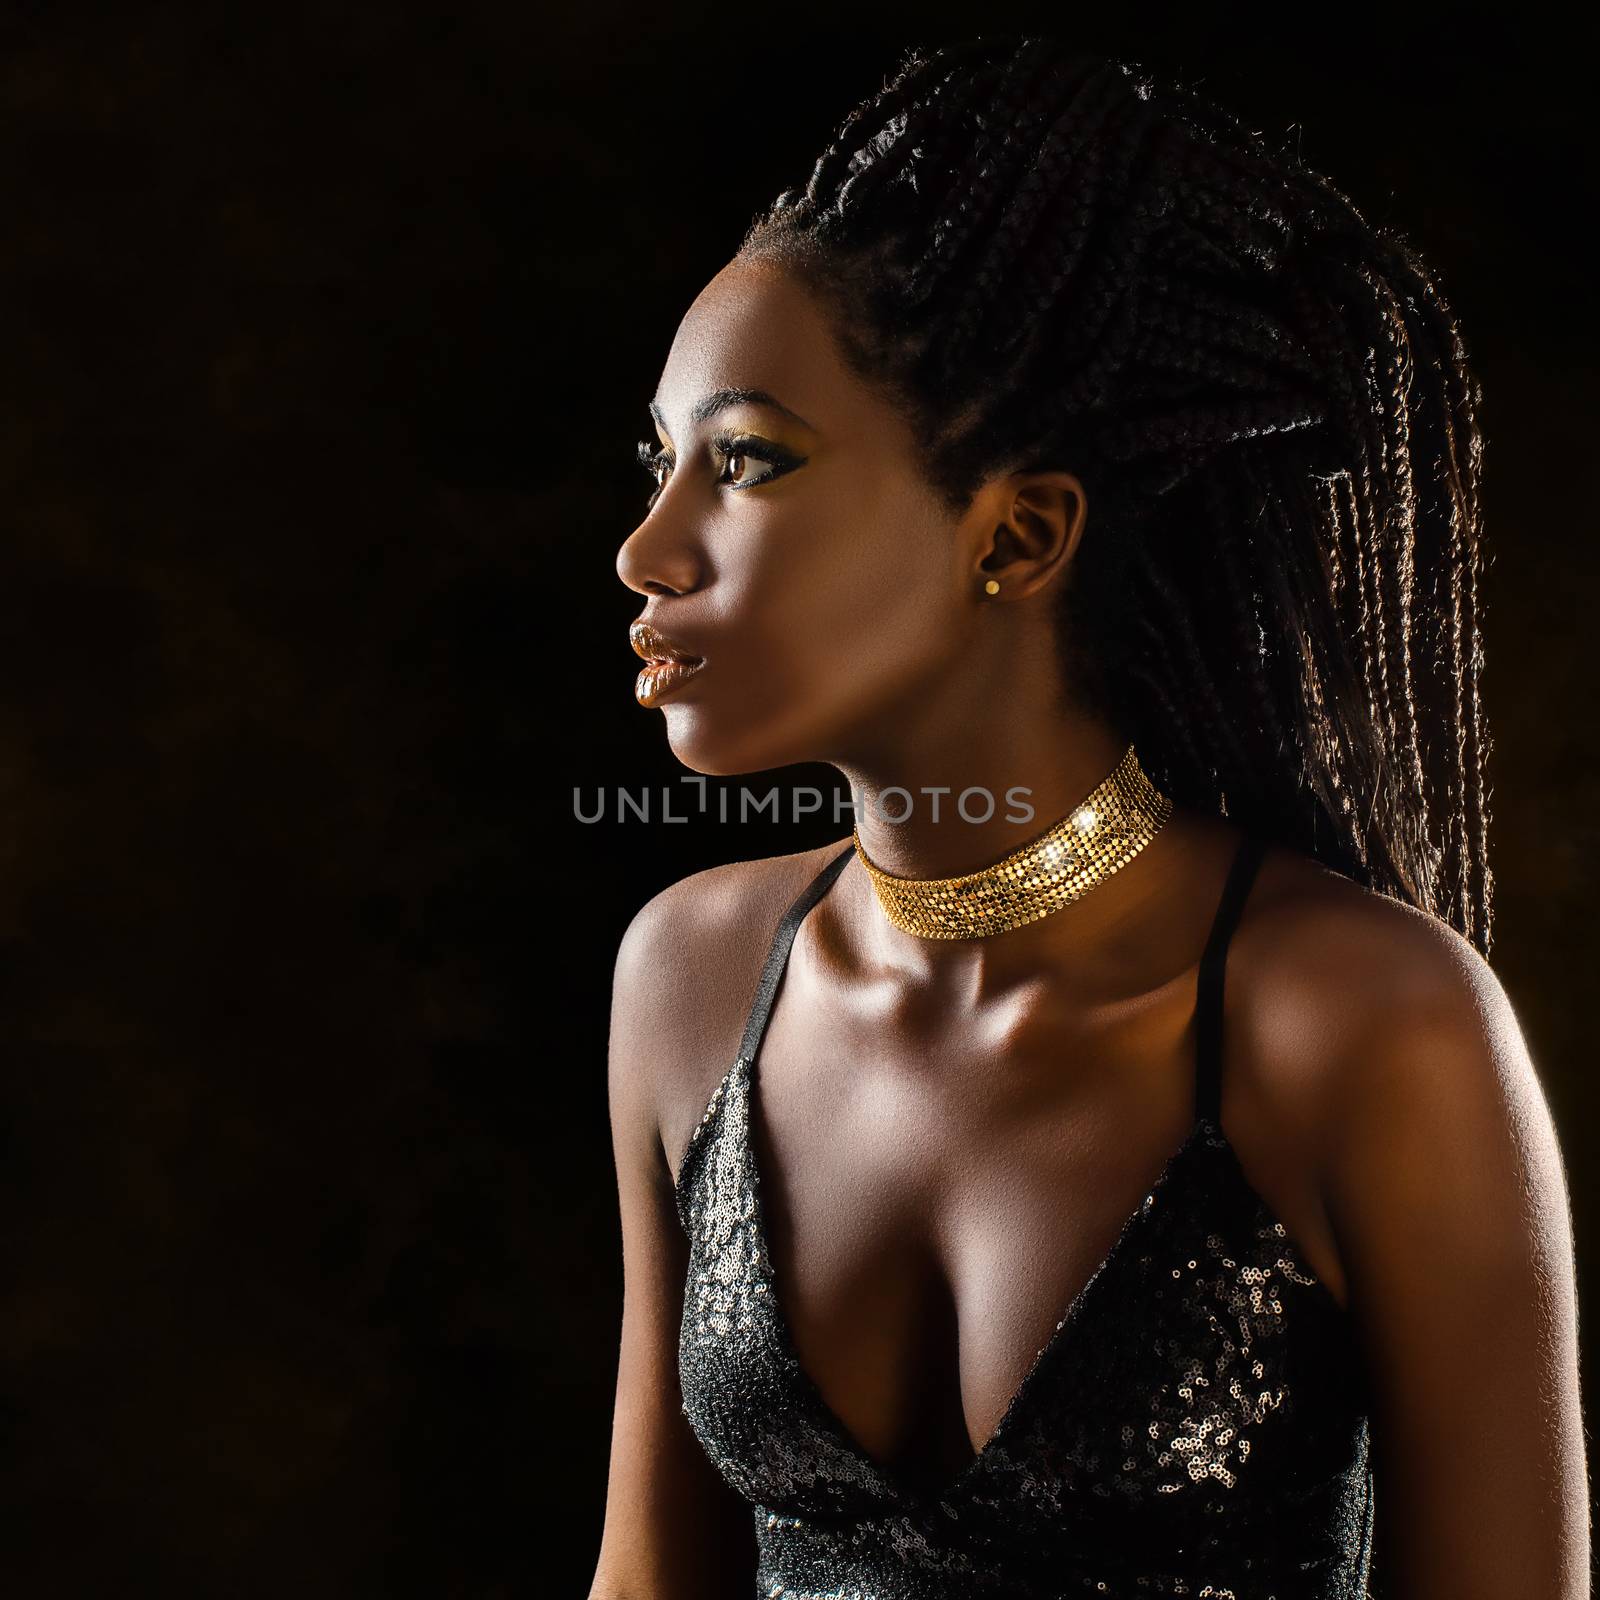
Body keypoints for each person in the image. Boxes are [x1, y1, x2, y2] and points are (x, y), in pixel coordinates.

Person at [591, 34, 1588, 1600]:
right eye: (660, 468)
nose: (651, 549)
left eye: (747, 464)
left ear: (1021, 532)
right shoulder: (695, 981)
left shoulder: (1363, 1027)